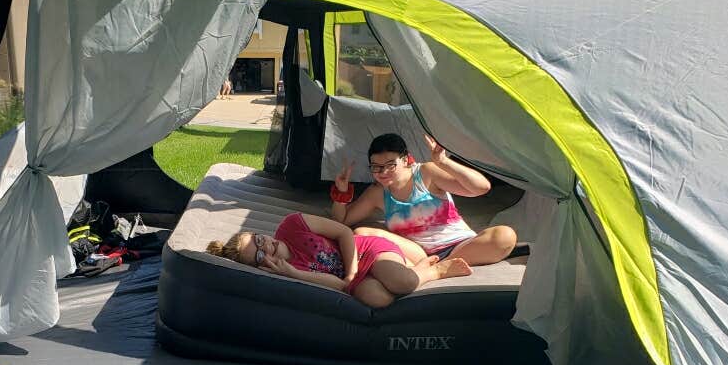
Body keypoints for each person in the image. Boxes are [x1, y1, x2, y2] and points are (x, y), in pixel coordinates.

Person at [206, 212, 471, 309]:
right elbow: (338, 286)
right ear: (261, 265)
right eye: (261, 254)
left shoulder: (292, 226)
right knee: (379, 299)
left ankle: (431, 272)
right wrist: (293, 273)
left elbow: (344, 232)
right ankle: (416, 271)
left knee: (402, 281)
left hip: (362, 251)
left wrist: (352, 271)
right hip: (353, 280)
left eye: (260, 240)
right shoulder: (286, 273)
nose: (268, 247)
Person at [330, 132, 517, 266]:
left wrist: (443, 162)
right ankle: (434, 267)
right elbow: (342, 221)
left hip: (460, 246)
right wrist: (341, 192)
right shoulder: (377, 193)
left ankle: (439, 266)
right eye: (376, 167)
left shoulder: (425, 173)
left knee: (505, 236)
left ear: (405, 160)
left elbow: (480, 188)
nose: (383, 172)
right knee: (360, 233)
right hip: (417, 253)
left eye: (390, 165)